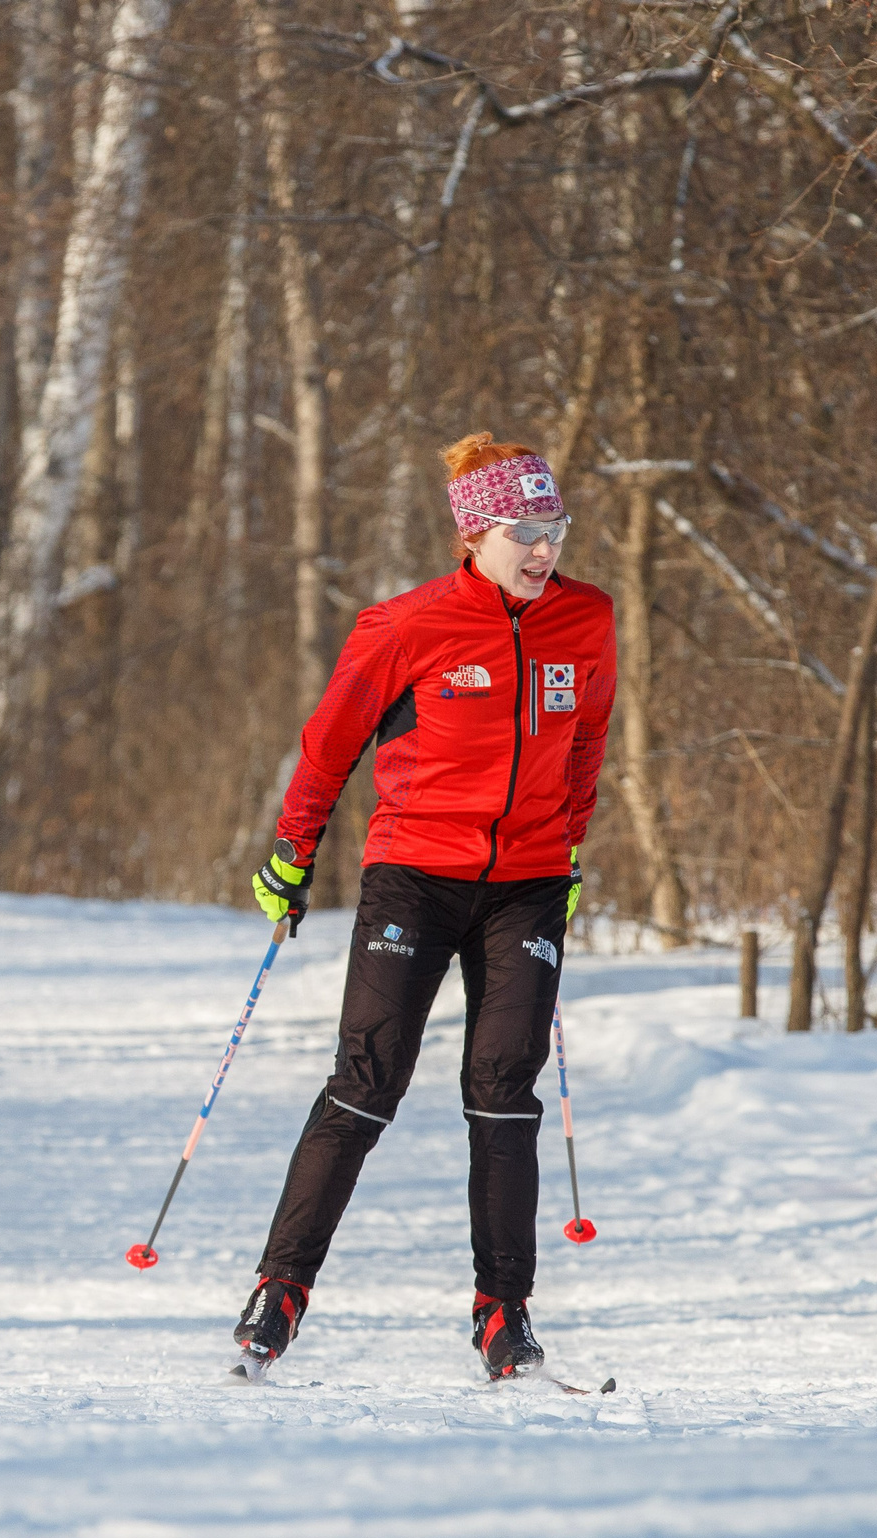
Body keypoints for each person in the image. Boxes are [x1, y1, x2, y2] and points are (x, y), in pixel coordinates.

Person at [232, 433, 616, 1382]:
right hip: (414, 872)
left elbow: (586, 741)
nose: (543, 549)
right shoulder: (408, 625)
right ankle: (279, 1289)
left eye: (554, 527)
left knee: (503, 1088)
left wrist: (567, 842)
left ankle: (503, 1312)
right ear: (475, 533)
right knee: (368, 1078)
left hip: (525, 885)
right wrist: (294, 849)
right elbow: (329, 746)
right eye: (524, 529)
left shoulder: (587, 619)